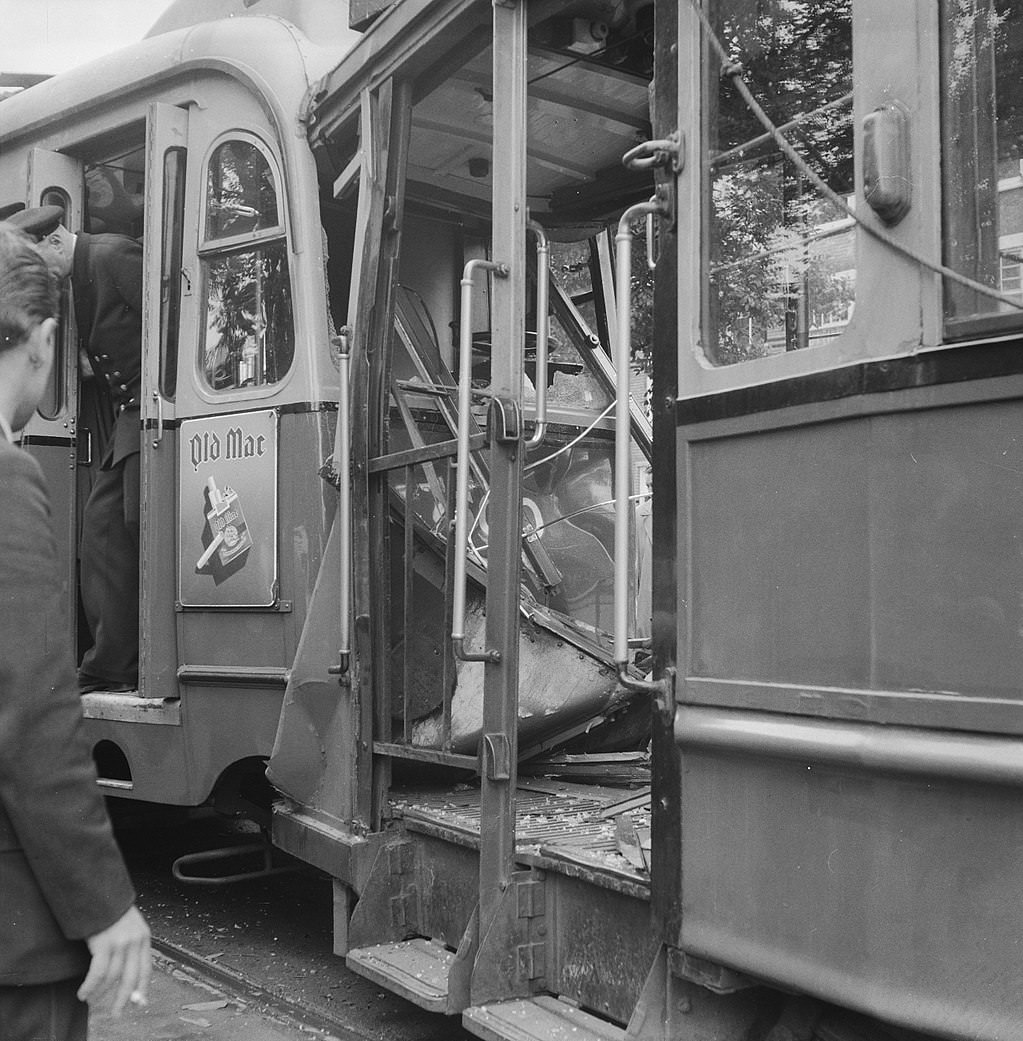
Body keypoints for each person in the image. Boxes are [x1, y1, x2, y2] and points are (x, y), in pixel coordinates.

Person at [0, 221, 150, 1039]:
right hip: (15, 944)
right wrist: (105, 904)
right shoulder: (7, 474)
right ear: (43, 341)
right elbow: (29, 718)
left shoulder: (114, 261)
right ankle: (110, 656)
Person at [10, 205, 142, 693]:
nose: (43, 278)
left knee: (124, 524)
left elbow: (170, 317)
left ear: (56, 243)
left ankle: (116, 664)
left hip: (152, 410)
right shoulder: (80, 273)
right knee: (103, 533)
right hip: (127, 417)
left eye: (41, 265)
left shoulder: (112, 256)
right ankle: (110, 665)